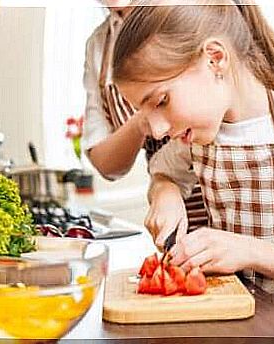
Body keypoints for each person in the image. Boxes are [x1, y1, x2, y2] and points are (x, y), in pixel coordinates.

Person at [111, 1, 274, 320]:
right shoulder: (198, 133)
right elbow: (164, 171)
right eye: (145, 114)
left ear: (215, 59)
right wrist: (165, 195)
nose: (156, 129)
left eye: (162, 101)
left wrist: (245, 250)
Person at [82, 0, 209, 231]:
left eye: (162, 100)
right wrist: (143, 120)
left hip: (224, 218)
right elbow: (106, 164)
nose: (160, 129)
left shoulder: (186, 13)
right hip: (172, 218)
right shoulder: (99, 44)